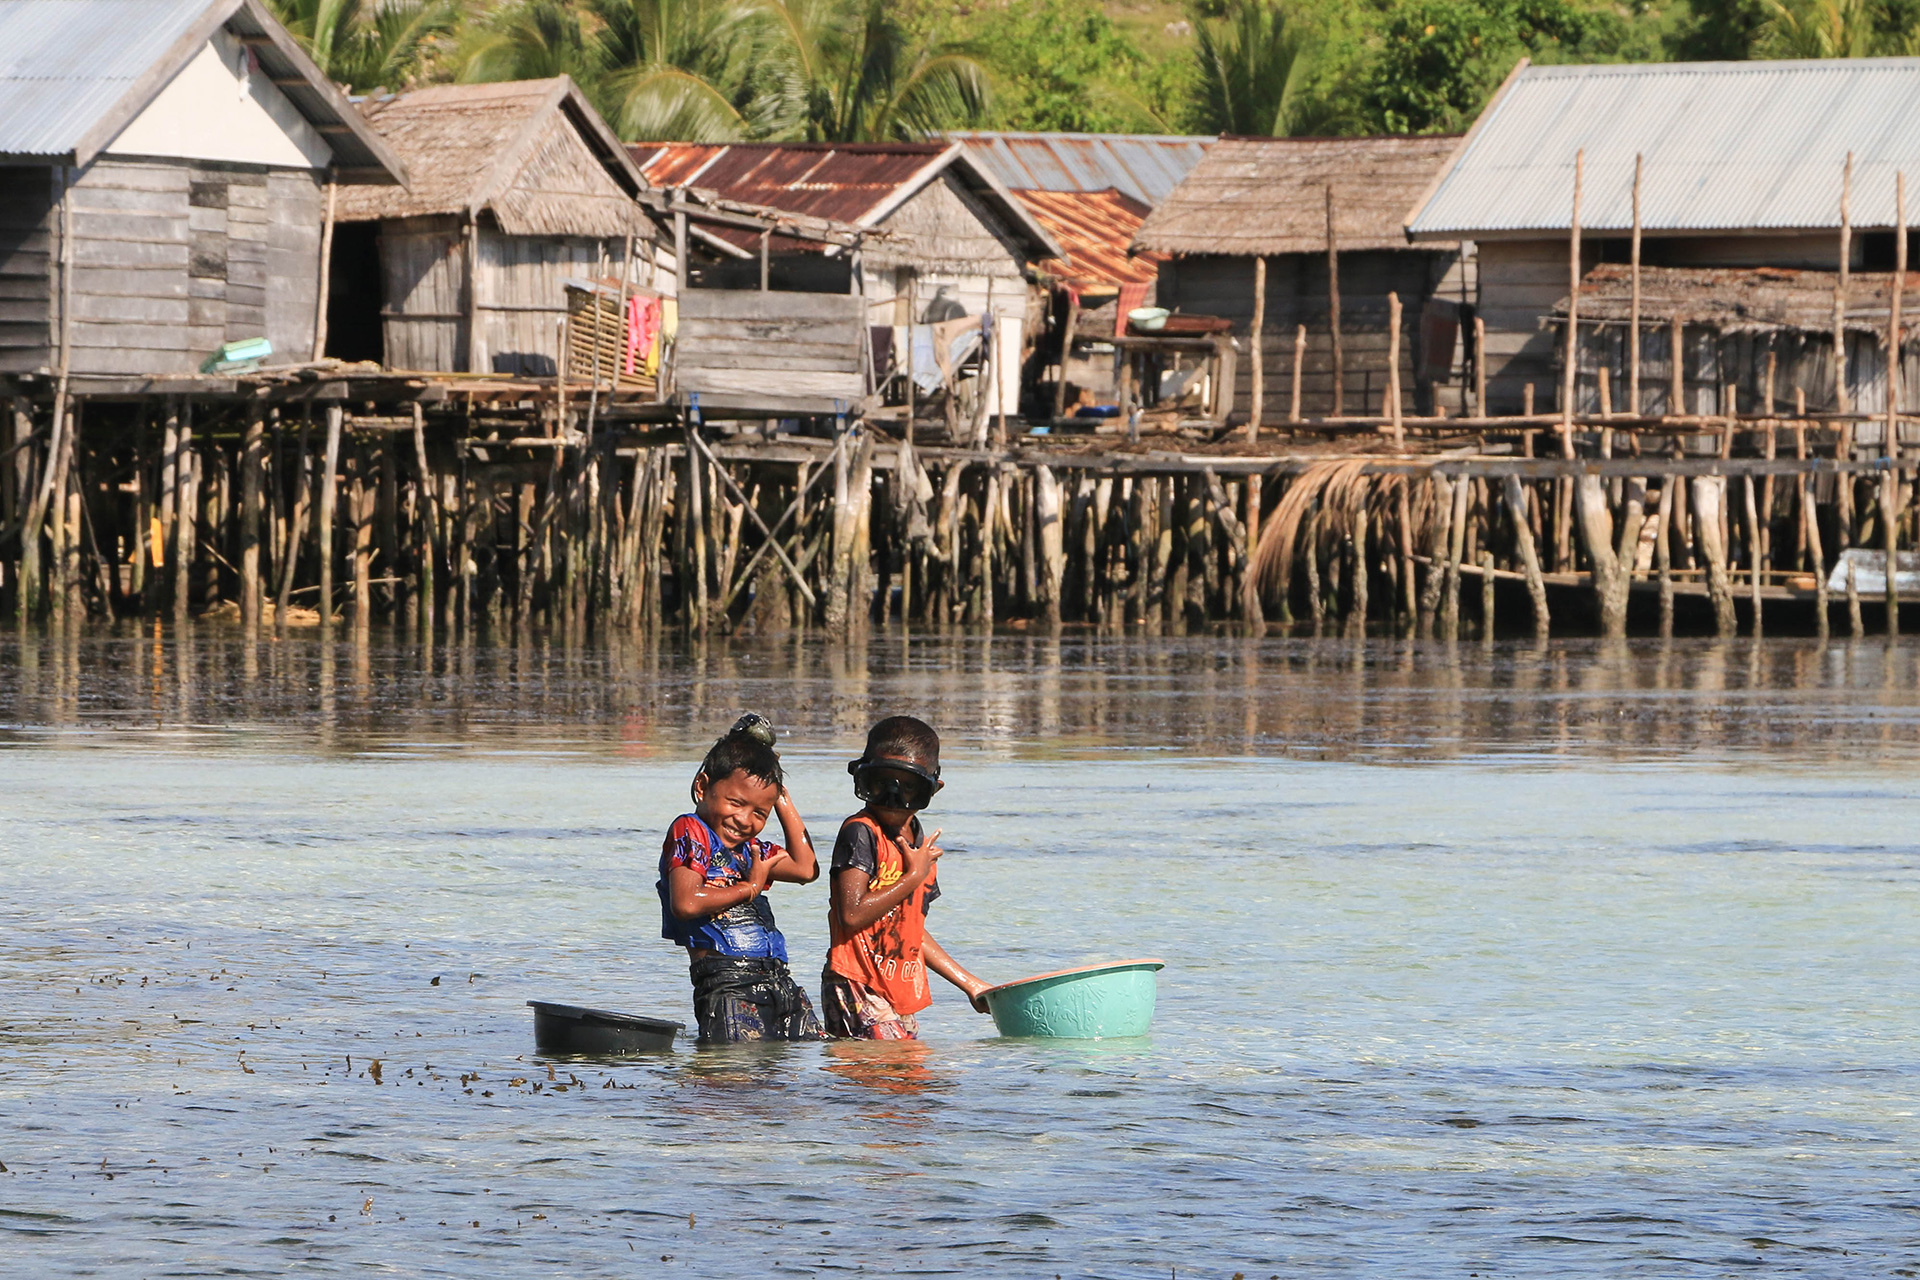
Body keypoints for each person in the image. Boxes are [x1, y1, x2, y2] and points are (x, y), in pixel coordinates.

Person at [821, 716, 992, 1039]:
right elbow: (852, 913)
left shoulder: (917, 844)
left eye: (908, 787)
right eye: (879, 783)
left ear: (932, 789)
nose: (891, 797)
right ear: (861, 777)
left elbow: (910, 931)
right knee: (885, 1080)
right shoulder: (861, 833)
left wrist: (970, 984)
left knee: (909, 1081)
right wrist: (913, 876)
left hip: (896, 990)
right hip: (857, 984)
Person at [658, 714, 823, 1043]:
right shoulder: (691, 831)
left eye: (759, 812)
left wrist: (780, 796)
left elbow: (806, 869)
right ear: (703, 787)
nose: (745, 819)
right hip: (729, 985)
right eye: (735, 802)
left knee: (794, 1073)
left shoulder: (751, 851)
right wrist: (749, 887)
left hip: (778, 981)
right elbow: (687, 903)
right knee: (734, 1084)